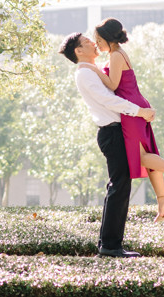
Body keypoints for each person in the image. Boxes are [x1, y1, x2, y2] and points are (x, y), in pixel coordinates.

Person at [88, 18, 164, 221]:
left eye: (98, 40)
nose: (96, 44)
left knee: (141, 157)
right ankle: (162, 198)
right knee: (147, 154)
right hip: (135, 105)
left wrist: (93, 69)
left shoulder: (116, 55)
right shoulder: (117, 54)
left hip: (133, 110)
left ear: (107, 38)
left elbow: (112, 85)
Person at [60, 31, 155, 258]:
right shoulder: (84, 74)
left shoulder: (91, 71)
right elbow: (108, 99)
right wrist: (139, 111)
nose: (94, 43)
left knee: (121, 186)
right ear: (78, 51)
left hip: (116, 131)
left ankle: (110, 243)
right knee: (119, 187)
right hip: (111, 133)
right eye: (87, 42)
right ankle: (110, 246)